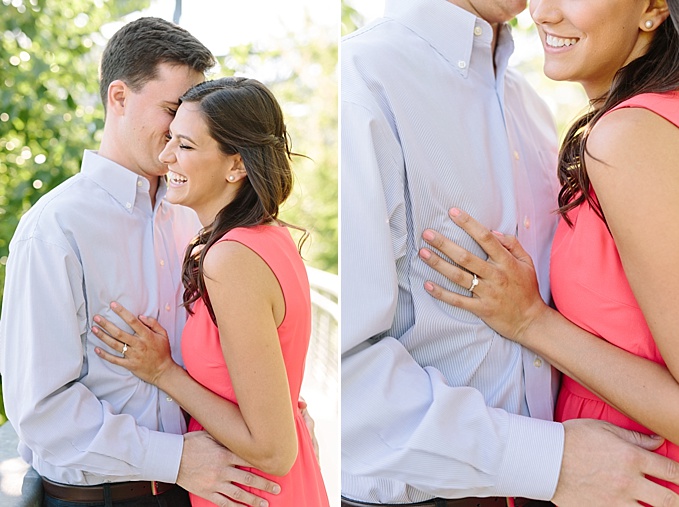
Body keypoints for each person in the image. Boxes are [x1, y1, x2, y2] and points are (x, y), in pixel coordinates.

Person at [341, 0, 679, 505]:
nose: (543, 10)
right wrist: (551, 460)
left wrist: (531, 322)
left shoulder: (540, 107)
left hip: (617, 476)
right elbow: (344, 377)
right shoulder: (363, 81)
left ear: (654, 9)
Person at [0, 17, 281, 507]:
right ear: (119, 97)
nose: (183, 130)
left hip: (196, 491)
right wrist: (174, 459)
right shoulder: (55, 230)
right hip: (98, 498)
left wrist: (280, 412)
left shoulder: (195, 217)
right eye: (172, 109)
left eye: (195, 116)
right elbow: (40, 410)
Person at [89, 77, 330, 507]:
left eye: (184, 145)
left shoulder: (231, 259)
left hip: (255, 493)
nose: (165, 158)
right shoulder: (267, 237)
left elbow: (275, 451)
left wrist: (163, 372)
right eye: (169, 140)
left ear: (235, 165)